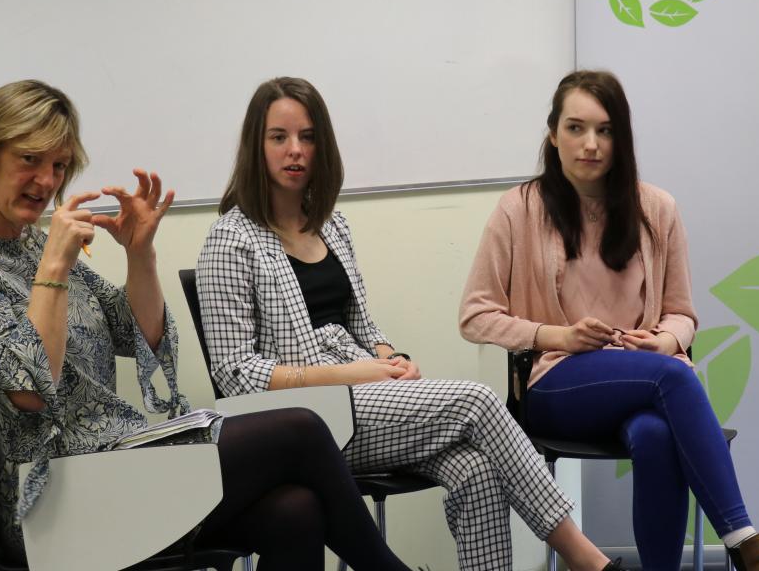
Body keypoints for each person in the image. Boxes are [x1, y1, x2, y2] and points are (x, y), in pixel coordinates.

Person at [0, 79, 414, 570]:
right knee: (301, 428)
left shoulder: (27, 242)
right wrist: (53, 269)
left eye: (59, 166)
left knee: (296, 512)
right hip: (56, 499)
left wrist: (139, 254)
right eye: (29, 160)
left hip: (117, 461)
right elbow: (29, 391)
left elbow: (141, 336)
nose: (46, 182)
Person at [195, 76, 625, 571]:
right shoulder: (231, 240)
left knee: (478, 469)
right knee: (478, 400)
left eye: (308, 137)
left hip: (366, 399)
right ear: (257, 145)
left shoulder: (332, 224)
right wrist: (350, 375)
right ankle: (586, 559)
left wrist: (387, 357)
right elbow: (234, 375)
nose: (295, 151)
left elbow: (362, 326)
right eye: (279, 137)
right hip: (307, 421)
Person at [459, 70, 759, 571]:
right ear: (553, 134)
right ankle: (747, 543)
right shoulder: (517, 209)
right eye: (576, 128)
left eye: (605, 130)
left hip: (645, 378)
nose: (591, 144)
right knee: (674, 375)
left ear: (621, 138)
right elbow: (475, 315)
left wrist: (666, 340)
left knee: (656, 434)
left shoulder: (657, 208)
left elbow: (682, 313)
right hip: (556, 383)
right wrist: (556, 336)